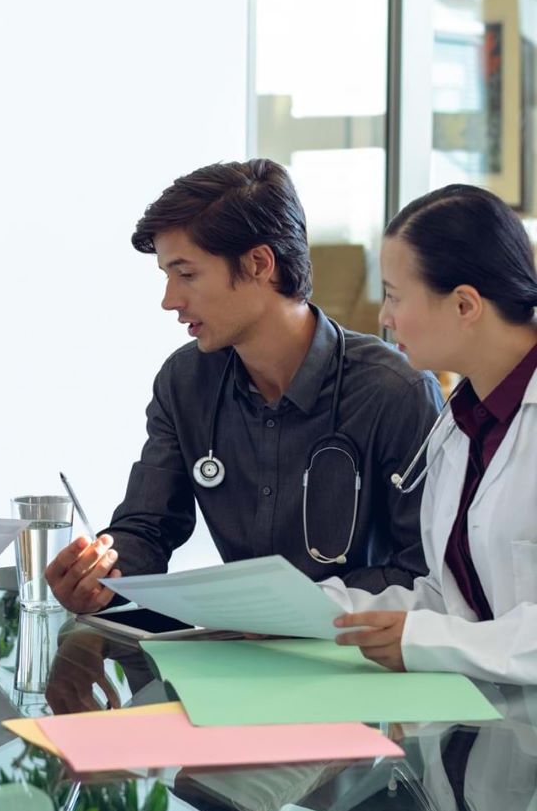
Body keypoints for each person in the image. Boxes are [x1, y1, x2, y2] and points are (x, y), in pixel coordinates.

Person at [46, 158, 443, 615]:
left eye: (187, 274)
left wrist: (296, 608)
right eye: (167, 276)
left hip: (358, 659)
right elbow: (148, 527)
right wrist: (104, 574)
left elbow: (423, 571)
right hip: (241, 651)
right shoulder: (185, 383)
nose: (169, 300)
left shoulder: (395, 392)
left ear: (258, 263)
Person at [328, 184, 537, 679]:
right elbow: (457, 601)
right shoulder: (463, 422)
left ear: (465, 305)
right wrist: (315, 610)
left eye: (394, 296)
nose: (384, 317)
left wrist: (426, 640)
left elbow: (451, 631)